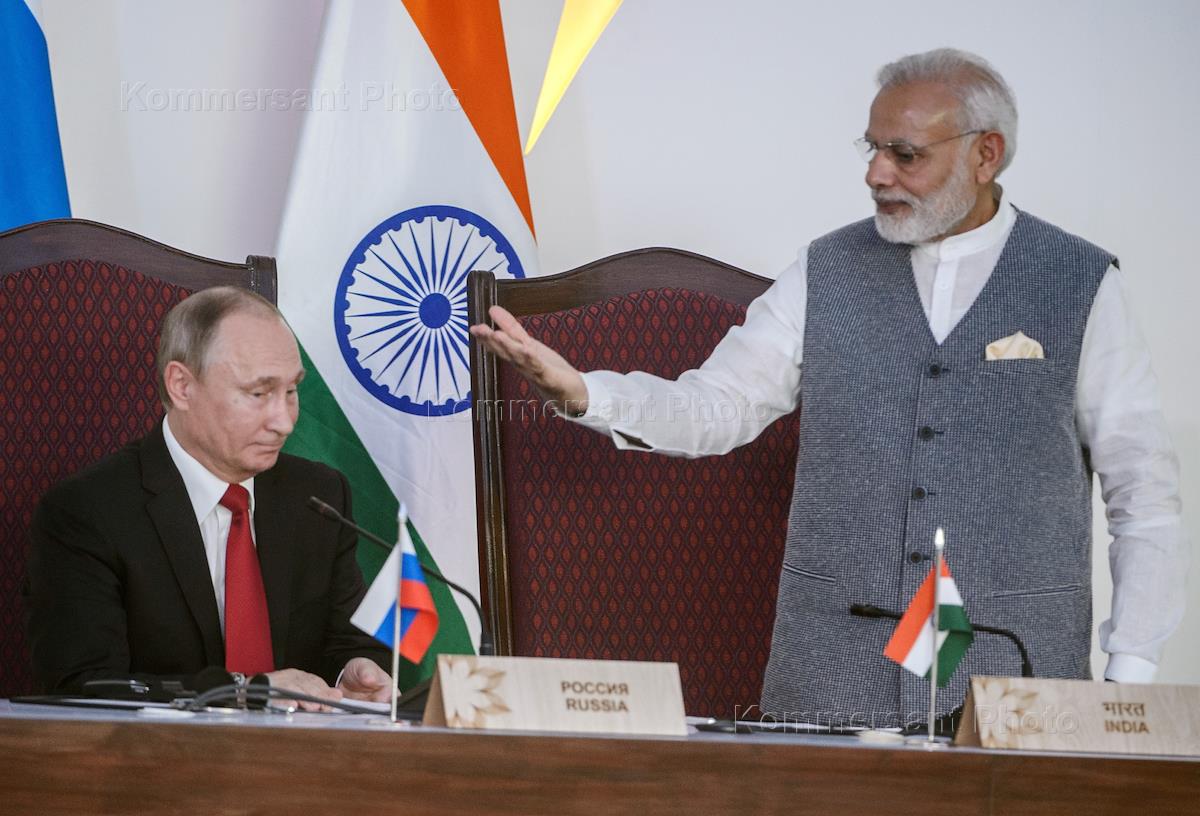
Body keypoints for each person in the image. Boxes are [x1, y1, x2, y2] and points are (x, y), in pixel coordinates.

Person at [470, 48, 1187, 726]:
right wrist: (585, 392)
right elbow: (718, 405)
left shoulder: (1080, 281)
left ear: (985, 154)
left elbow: (1143, 493)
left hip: (1018, 675)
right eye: (871, 149)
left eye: (905, 154)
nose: (877, 173)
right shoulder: (827, 268)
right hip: (832, 676)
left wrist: (1127, 679)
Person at [28, 286, 392, 709]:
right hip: (157, 751)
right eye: (259, 393)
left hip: (307, 748)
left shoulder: (319, 496)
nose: (284, 421)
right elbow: (83, 686)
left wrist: (354, 669)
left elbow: (349, 639)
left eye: (291, 391)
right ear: (182, 386)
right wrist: (245, 692)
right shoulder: (87, 511)